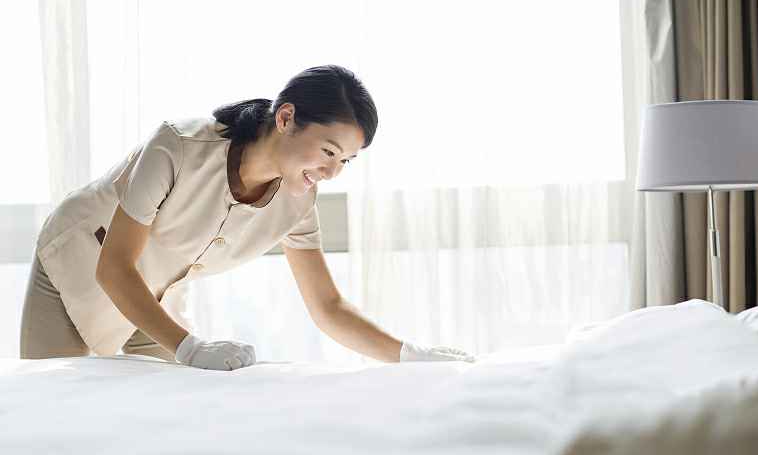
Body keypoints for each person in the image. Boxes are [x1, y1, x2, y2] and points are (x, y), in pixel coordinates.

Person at [19, 64, 475, 370]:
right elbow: (114, 268)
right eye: (328, 151)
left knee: (169, 414)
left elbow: (327, 307)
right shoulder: (177, 146)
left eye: (345, 162)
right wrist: (190, 347)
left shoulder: (297, 201)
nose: (333, 172)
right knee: (55, 406)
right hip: (79, 263)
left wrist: (409, 355)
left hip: (154, 295)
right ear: (286, 118)